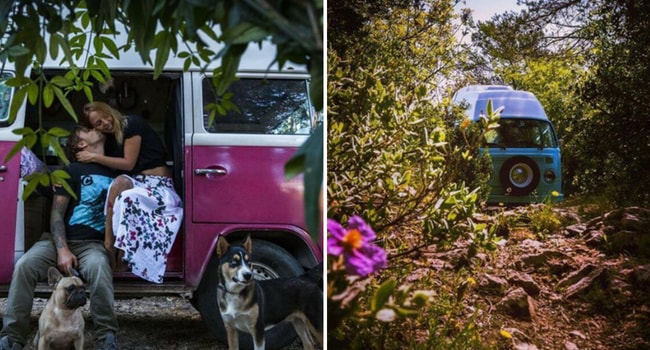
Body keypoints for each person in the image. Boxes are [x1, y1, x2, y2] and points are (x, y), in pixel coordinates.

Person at [0, 126, 119, 350]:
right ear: (81, 144)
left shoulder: (115, 173)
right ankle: (12, 337)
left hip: (92, 245)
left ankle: (106, 337)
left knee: (100, 267)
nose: (95, 129)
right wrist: (62, 249)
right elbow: (56, 214)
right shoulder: (71, 171)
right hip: (57, 241)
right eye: (88, 129)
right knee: (24, 266)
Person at [77, 101, 183, 284]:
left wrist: (93, 156)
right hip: (137, 184)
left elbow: (128, 164)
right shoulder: (110, 142)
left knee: (127, 198)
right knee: (117, 184)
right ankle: (109, 244)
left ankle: (124, 255)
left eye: (105, 117)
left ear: (110, 111)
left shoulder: (131, 124)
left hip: (158, 186)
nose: (105, 123)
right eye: (98, 124)